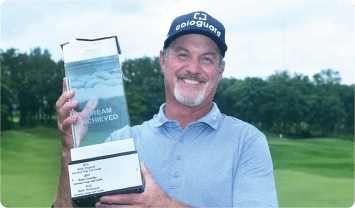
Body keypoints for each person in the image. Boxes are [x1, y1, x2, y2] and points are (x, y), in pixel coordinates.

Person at [54, 11, 278, 207]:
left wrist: (161, 204)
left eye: (207, 59)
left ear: (220, 71)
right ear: (163, 61)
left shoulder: (247, 142)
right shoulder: (119, 140)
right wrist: (69, 150)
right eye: (183, 55)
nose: (193, 68)